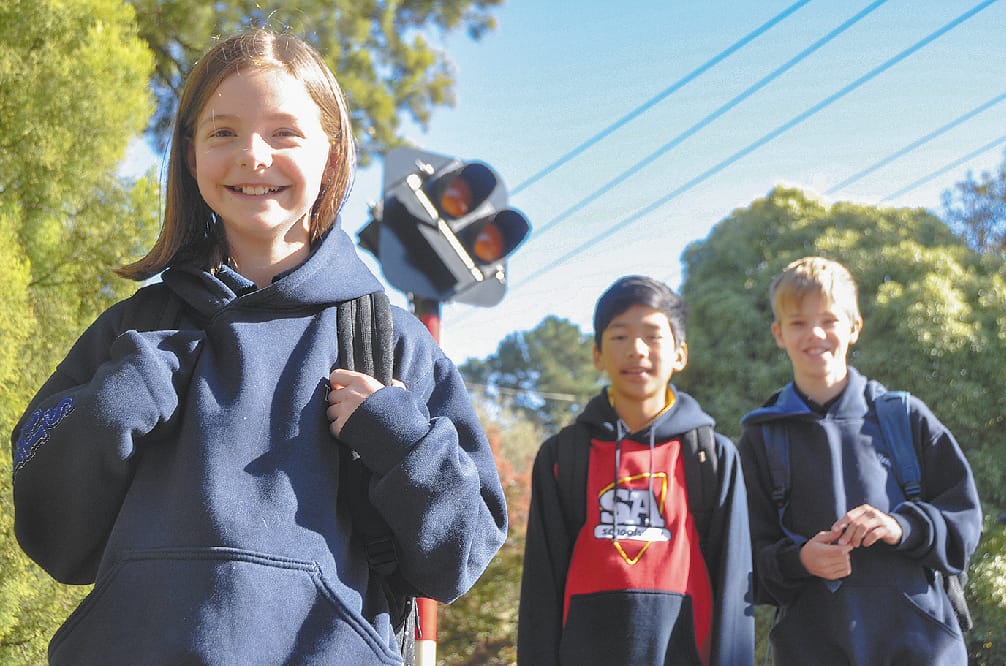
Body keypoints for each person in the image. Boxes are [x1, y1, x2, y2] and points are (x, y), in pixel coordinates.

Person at [10, 28, 506, 665]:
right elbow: (52, 536)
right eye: (222, 133)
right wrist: (114, 407)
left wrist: (400, 438)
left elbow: (458, 558)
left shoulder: (389, 346)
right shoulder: (133, 333)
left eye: (284, 133)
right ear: (190, 156)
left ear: (332, 153)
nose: (252, 155)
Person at [737, 256, 982, 665]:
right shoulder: (761, 436)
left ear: (854, 327)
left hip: (923, 649)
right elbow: (742, 562)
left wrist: (901, 526)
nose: (815, 333)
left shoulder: (904, 416)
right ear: (778, 334)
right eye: (798, 323)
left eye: (830, 320)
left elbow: (963, 524)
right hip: (809, 650)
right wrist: (800, 560)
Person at [517, 275, 754, 666]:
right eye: (620, 336)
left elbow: (734, 592)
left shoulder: (712, 457)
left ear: (680, 354)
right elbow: (540, 593)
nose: (637, 350)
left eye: (653, 336)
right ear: (597, 354)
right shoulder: (562, 456)